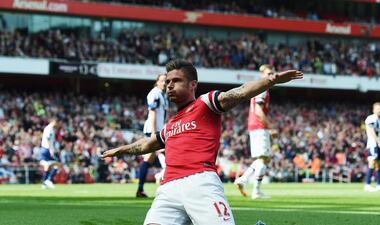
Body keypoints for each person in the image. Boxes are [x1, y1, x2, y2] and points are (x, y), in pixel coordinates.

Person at [102, 59, 303, 225]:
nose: (169, 85)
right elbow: (147, 144)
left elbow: (240, 92)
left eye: (176, 80)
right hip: (168, 188)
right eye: (168, 81)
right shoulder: (171, 124)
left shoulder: (206, 103)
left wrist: (271, 80)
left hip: (200, 182)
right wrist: (120, 150)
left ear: (193, 85)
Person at [234, 64, 277, 199]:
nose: (270, 76)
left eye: (272, 73)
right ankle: (256, 191)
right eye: (268, 73)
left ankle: (243, 180)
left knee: (263, 157)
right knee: (264, 158)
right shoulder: (263, 89)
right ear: (262, 75)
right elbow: (258, 110)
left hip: (254, 126)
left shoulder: (260, 88)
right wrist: (270, 127)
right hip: (259, 126)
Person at [136, 73, 169, 197]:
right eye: (162, 81)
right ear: (157, 82)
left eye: (166, 81)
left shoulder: (163, 95)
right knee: (165, 155)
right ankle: (160, 183)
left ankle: (141, 189)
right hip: (153, 130)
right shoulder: (154, 93)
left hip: (159, 129)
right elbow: (153, 113)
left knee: (150, 159)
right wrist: (155, 133)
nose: (164, 83)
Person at [364, 102, 380, 192]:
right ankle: (367, 184)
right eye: (378, 108)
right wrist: (379, 142)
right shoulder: (371, 118)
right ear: (374, 110)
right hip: (373, 144)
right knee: (372, 163)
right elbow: (372, 131)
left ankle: (379, 184)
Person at [37, 117, 61, 189]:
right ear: (54, 122)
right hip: (47, 149)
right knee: (57, 164)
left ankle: (44, 183)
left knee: (48, 166)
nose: (58, 125)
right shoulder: (49, 129)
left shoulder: (48, 128)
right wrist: (51, 149)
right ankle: (48, 180)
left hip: (45, 148)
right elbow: (48, 139)